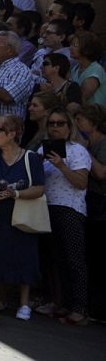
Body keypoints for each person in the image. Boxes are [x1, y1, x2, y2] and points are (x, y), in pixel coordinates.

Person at [0, 114, 45, 321]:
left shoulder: (31, 158)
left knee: (24, 255)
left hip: (21, 214)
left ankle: (24, 303)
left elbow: (40, 188)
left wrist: (17, 194)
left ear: (12, 134)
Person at [38, 107, 91, 325]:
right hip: (46, 208)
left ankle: (80, 308)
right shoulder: (42, 150)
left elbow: (81, 182)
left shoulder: (78, 151)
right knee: (53, 260)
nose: (56, 127)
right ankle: (60, 303)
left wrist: (61, 165)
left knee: (74, 259)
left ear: (69, 128)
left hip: (69, 208)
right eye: (52, 123)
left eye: (61, 124)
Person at [75, 105, 106, 321]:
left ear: (93, 122)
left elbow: (102, 173)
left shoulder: (102, 143)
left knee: (99, 259)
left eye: (82, 120)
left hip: (101, 205)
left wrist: (84, 149)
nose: (78, 124)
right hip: (88, 203)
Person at [70, 32, 106, 106]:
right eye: (71, 44)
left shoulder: (96, 69)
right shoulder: (75, 68)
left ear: (88, 49)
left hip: (94, 115)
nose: (71, 47)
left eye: (75, 45)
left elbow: (81, 99)